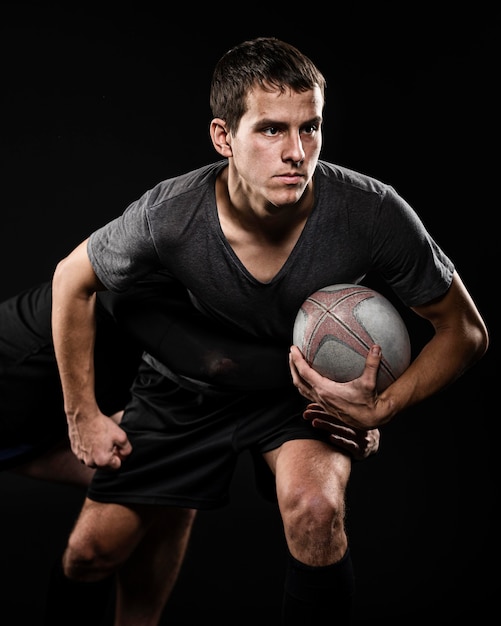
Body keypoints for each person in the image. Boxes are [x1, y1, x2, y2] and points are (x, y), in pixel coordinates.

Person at [49, 36, 488, 625]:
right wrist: (83, 416)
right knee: (88, 555)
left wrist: (379, 407)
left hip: (298, 396)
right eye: (271, 130)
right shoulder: (171, 214)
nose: (296, 152)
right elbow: (70, 279)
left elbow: (464, 329)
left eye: (310, 128)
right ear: (224, 137)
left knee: (316, 511)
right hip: (188, 388)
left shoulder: (371, 211)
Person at [1, 277, 376, 625]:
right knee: (107, 538)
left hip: (71, 405)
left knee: (163, 498)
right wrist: (81, 414)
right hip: (39, 397)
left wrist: (360, 409)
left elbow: (241, 385)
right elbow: (216, 364)